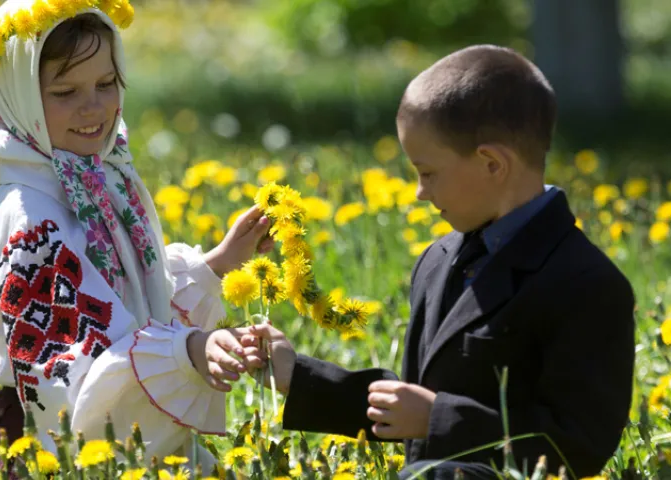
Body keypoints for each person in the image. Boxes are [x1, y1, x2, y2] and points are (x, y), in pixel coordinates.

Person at [238, 45, 636, 479]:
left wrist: (438, 420)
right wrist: (299, 377)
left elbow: (581, 444)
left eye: (427, 173)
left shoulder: (585, 283)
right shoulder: (438, 260)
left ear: (492, 163)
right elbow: (409, 405)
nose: (419, 193)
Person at [0, 0, 265, 472]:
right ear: (17, 94)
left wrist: (215, 264)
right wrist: (187, 351)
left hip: (122, 440)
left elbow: (128, 300)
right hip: (54, 447)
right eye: (65, 91)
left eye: (106, 83)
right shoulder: (28, 213)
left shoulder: (96, 177)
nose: (93, 106)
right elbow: (70, 360)